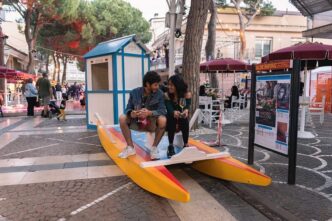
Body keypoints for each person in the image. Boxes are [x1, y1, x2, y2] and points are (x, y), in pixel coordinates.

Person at [118, 71, 167, 160]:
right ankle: (130, 148)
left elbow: (163, 110)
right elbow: (127, 108)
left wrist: (150, 113)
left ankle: (154, 148)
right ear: (147, 84)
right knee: (122, 118)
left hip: (151, 123)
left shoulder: (159, 94)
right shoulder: (134, 92)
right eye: (155, 85)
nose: (157, 87)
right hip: (136, 122)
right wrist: (131, 113)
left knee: (163, 120)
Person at [164, 75, 191, 158]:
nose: (169, 87)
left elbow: (186, 107)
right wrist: (173, 112)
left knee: (184, 118)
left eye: (171, 85)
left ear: (177, 85)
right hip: (170, 121)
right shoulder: (167, 95)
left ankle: (186, 144)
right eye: (168, 85)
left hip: (181, 120)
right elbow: (169, 108)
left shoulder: (186, 94)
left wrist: (186, 111)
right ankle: (171, 146)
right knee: (171, 117)